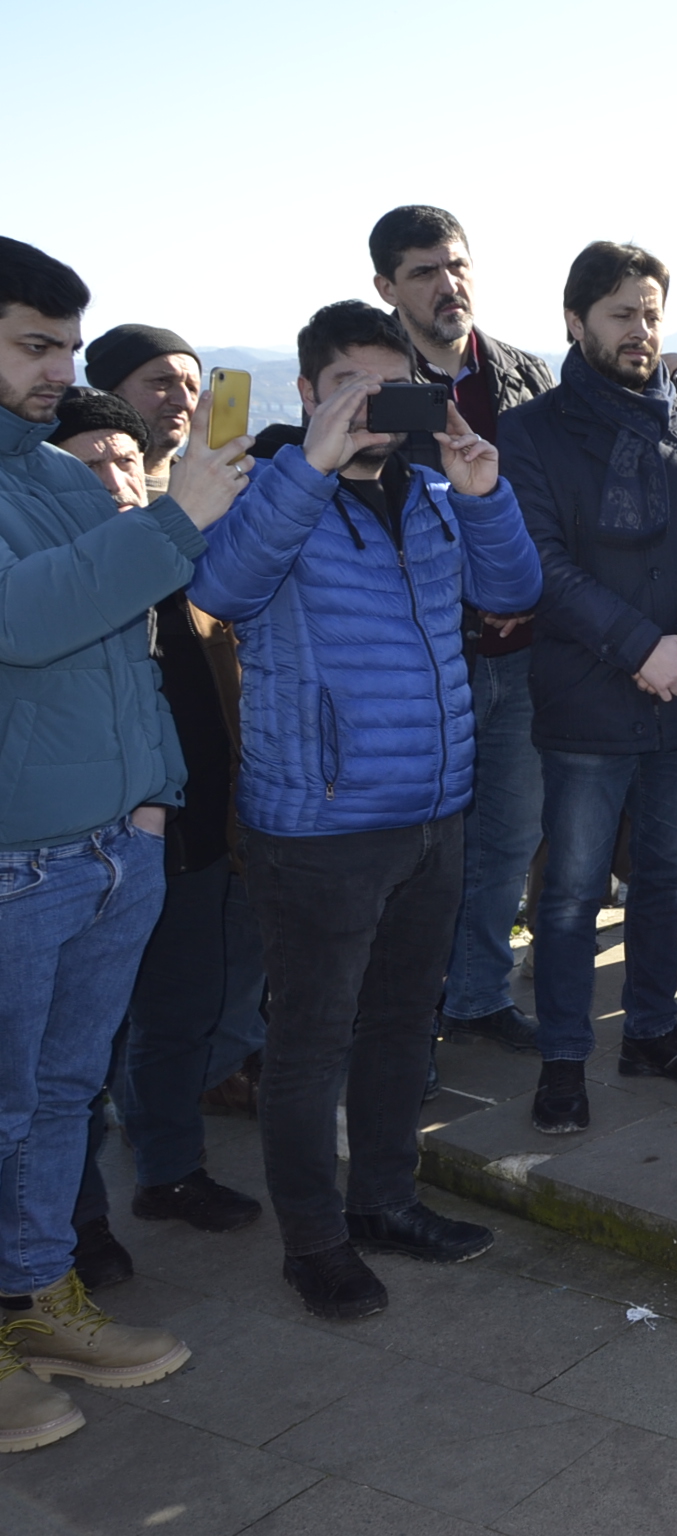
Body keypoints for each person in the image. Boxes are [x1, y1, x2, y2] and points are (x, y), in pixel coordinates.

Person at [189, 300, 541, 1320]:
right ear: (309, 393)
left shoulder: (434, 495)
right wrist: (309, 463)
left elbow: (513, 593)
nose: (379, 412)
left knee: (401, 1027)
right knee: (311, 1043)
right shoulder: (272, 490)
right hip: (320, 826)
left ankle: (386, 1202)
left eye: (397, 390)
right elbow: (225, 585)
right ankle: (315, 1242)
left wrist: (484, 493)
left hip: (432, 813)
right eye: (355, 388)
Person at [0, 238, 251, 1450]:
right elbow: (28, 623)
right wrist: (171, 521)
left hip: (107, 844)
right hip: (13, 859)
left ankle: (34, 1299)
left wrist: (152, 798)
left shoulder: (51, 475)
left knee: (57, 1098)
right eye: (32, 345)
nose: (58, 370)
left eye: (62, 343)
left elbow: (131, 647)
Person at [498, 243, 677, 1136]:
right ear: (575, 323)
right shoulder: (529, 432)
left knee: (660, 877)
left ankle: (653, 1029)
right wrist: (640, 646)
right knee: (570, 894)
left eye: (650, 313)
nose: (641, 331)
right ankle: (564, 1056)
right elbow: (542, 563)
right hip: (586, 699)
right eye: (621, 314)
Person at [47, 390, 267, 1291]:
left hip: (197, 840)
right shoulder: (58, 580)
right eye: (90, 463)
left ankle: (171, 1173)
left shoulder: (187, 565)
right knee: (75, 1058)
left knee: (177, 1021)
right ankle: (74, 1222)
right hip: (87, 851)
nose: (115, 477)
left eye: (126, 459)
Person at [369, 205, 558, 1059]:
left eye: (456, 265)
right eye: (423, 271)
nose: (448, 285)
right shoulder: (371, 383)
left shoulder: (522, 374)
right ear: (386, 288)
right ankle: (404, 1023)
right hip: (421, 663)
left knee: (509, 838)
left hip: (520, 659)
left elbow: (554, 503)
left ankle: (478, 995)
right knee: (415, 854)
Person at [84, 324, 200, 498]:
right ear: (110, 392)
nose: (183, 401)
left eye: (191, 388)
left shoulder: (211, 493)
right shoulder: (77, 486)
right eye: (162, 381)